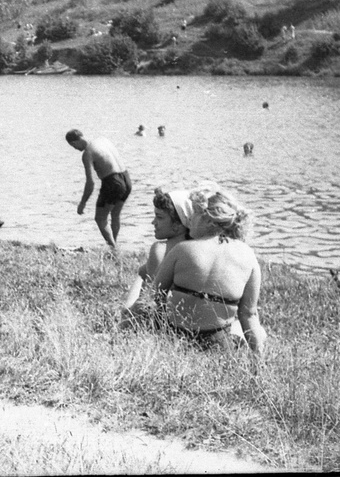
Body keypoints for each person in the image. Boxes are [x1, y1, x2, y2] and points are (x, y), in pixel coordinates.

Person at [151, 189, 267, 355]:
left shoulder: (182, 250)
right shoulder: (248, 256)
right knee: (258, 331)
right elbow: (249, 314)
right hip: (217, 345)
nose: (189, 219)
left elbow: (154, 296)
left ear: (207, 219)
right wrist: (259, 363)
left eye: (194, 213)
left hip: (175, 340)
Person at [120, 187, 196, 324]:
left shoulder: (160, 249)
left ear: (179, 225)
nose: (153, 222)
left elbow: (149, 301)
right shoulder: (195, 247)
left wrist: (126, 318)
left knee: (141, 274)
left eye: (159, 217)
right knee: (143, 270)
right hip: (190, 318)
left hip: (162, 321)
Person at [65, 129, 132, 248]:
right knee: (115, 215)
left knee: (100, 219)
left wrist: (82, 203)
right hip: (126, 179)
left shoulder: (87, 154)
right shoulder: (103, 140)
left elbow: (90, 183)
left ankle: (113, 249)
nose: (75, 149)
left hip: (112, 182)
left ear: (74, 142)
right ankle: (114, 246)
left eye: (73, 146)